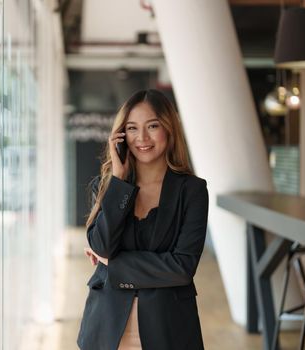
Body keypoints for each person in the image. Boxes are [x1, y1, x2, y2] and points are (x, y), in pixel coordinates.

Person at [76, 89, 209, 350]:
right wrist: (119, 178)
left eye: (153, 126)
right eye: (132, 128)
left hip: (169, 329)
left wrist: (112, 263)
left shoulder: (192, 191)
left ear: (169, 129)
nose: (142, 138)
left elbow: (182, 267)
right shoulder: (107, 187)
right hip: (107, 328)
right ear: (121, 136)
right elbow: (102, 246)